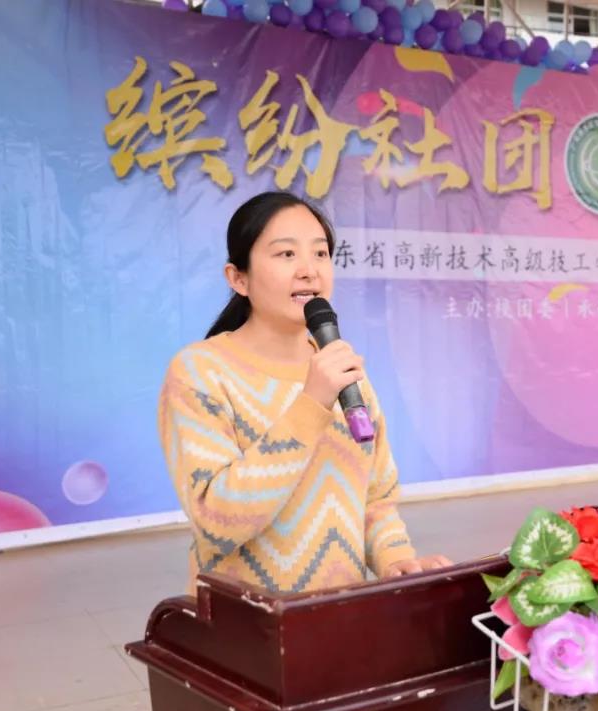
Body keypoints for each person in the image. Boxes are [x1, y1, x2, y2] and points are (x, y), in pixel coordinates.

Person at [158, 191, 452, 595]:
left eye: (320, 253)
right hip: (244, 621)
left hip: (339, 614)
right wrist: (311, 404)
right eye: (286, 254)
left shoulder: (342, 369)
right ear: (238, 278)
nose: (309, 271)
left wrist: (394, 558)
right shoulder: (200, 372)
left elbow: (375, 498)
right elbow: (217, 522)